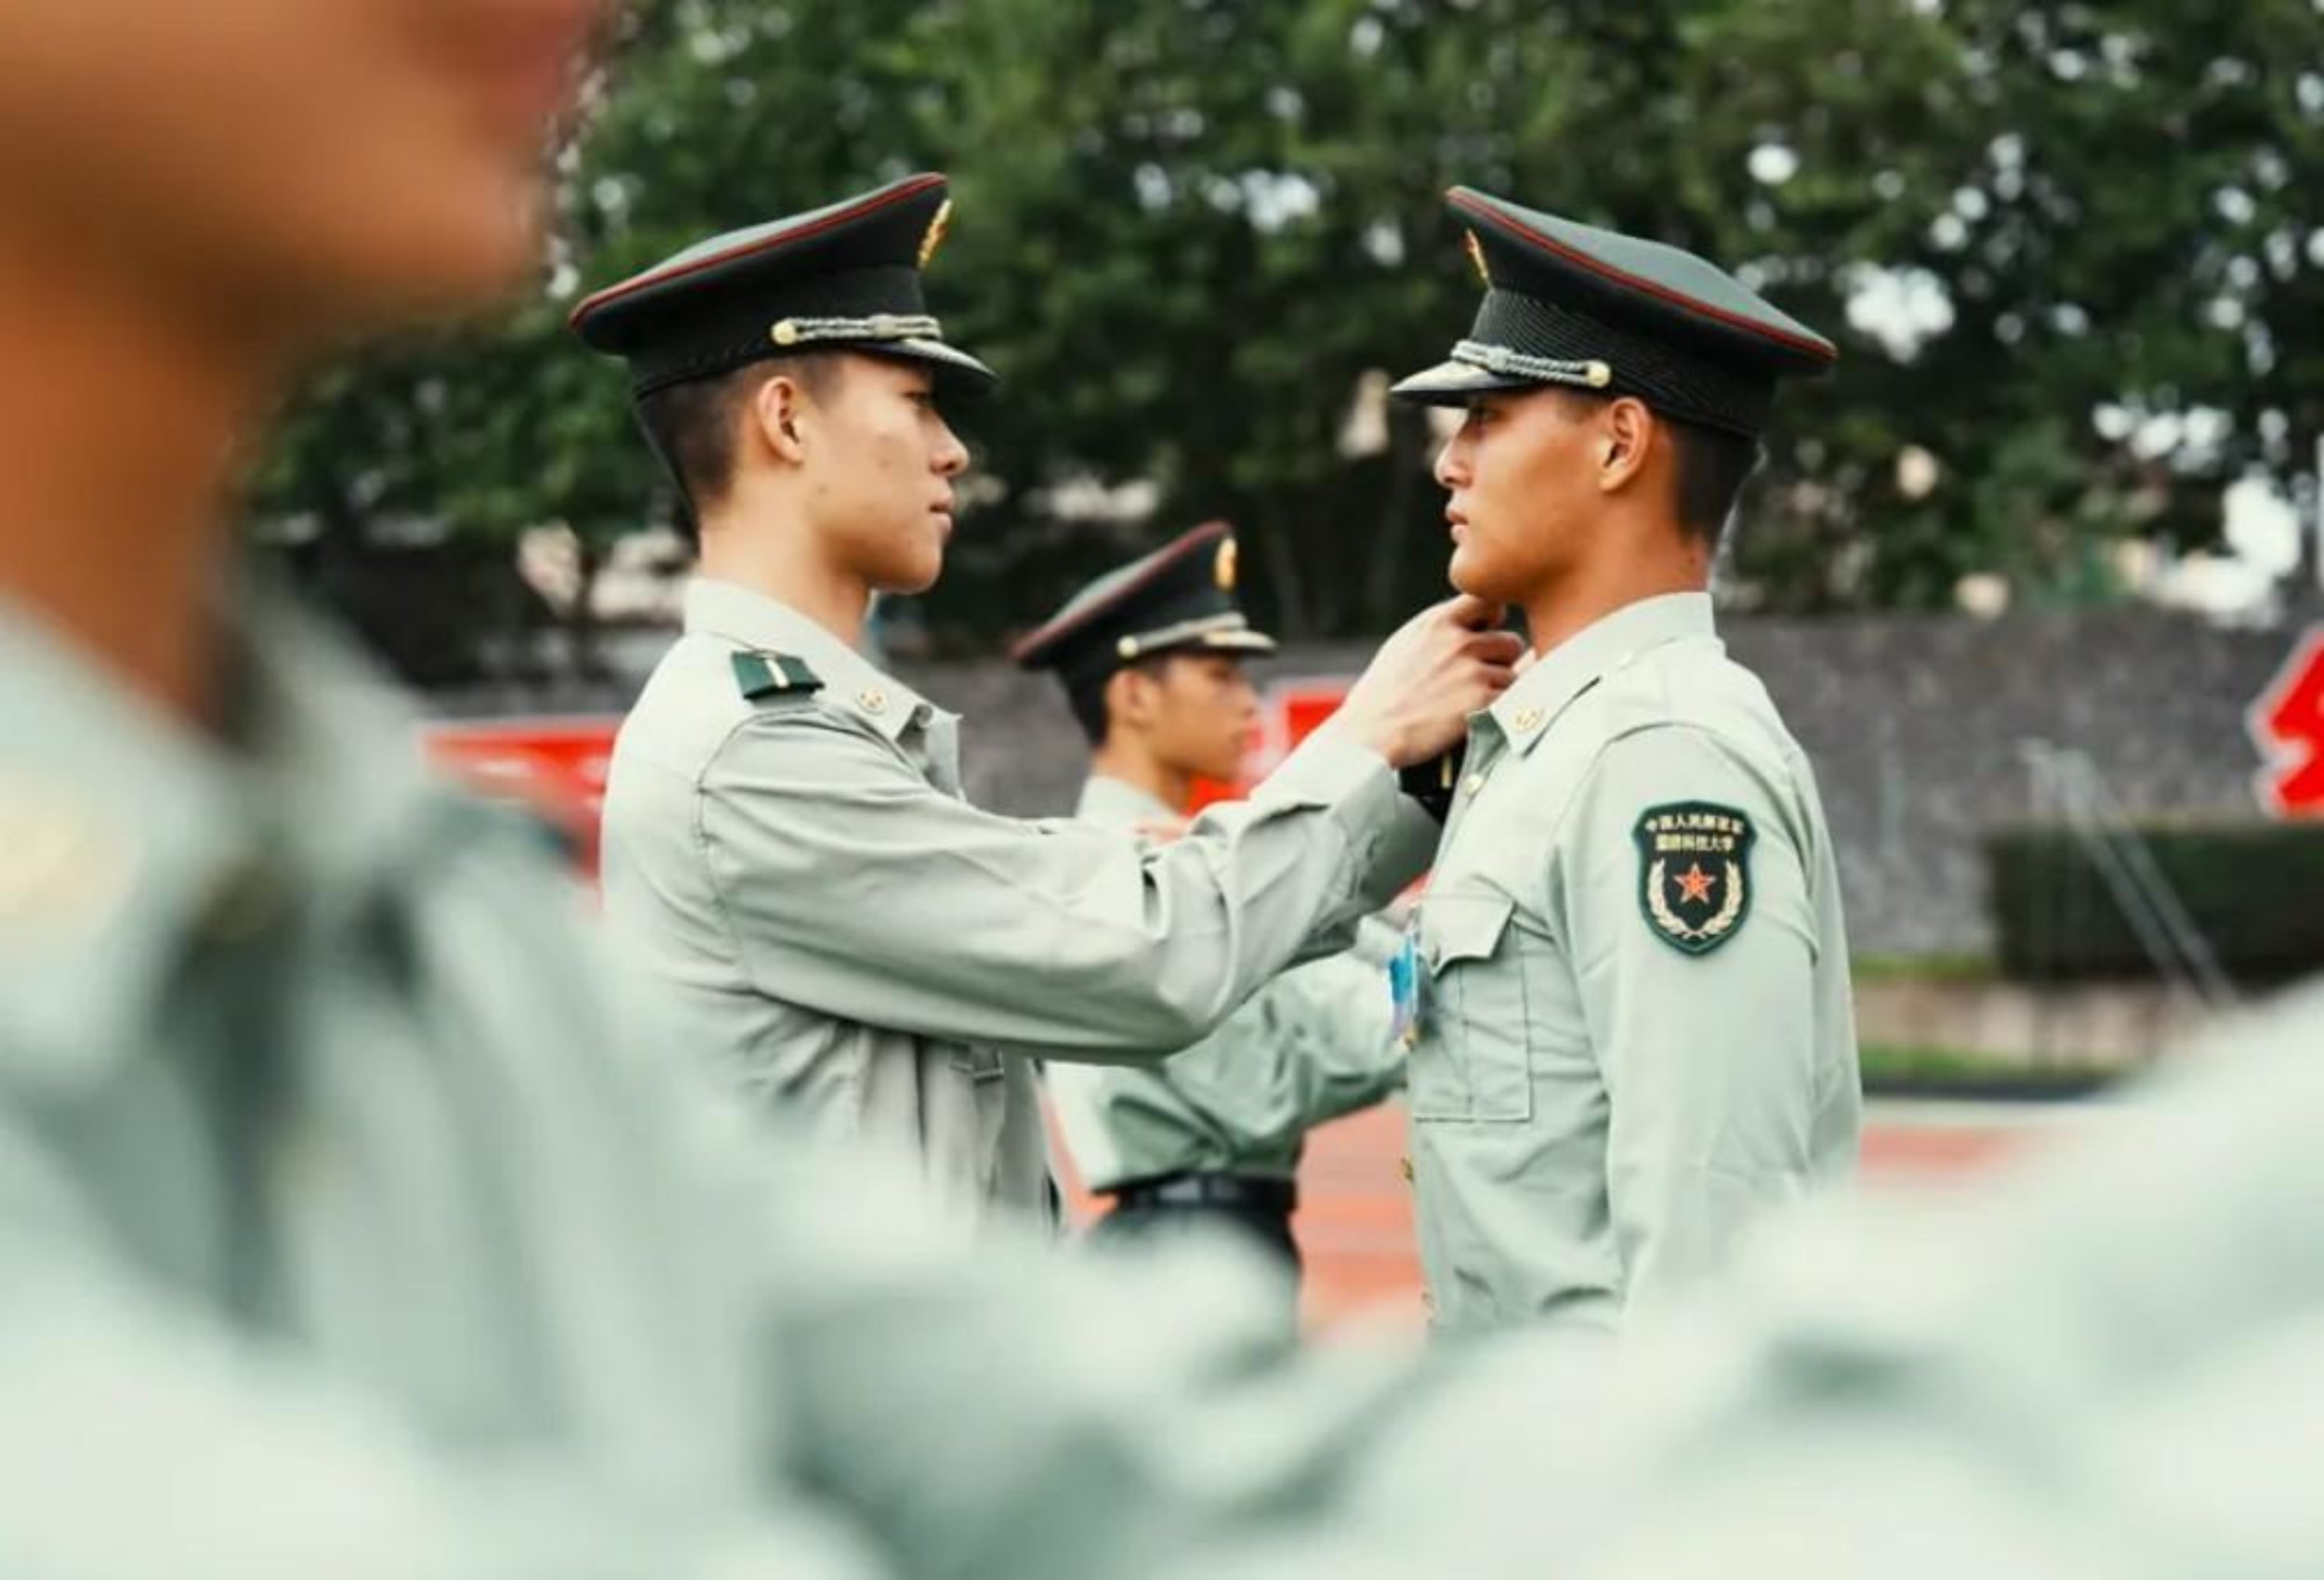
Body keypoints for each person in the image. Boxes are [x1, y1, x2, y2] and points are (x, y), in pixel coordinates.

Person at [574, 178, 1518, 1228]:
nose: (952, 449)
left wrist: (1396, 778)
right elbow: (1150, 955)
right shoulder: (753, 754)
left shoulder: (794, 729)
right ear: (787, 420)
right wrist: (1368, 738)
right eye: (916, 400)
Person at [1381, 187, 1862, 1336]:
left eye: (1487, 416)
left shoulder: (1663, 757)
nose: (1450, 463)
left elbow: (1711, 1243)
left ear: (1618, 441)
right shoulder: (1561, 741)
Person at [1012, 520, 1407, 1289]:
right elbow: (1361, 1047)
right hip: (1197, 1244)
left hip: (1178, 1235)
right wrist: (1421, 968)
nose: (1248, 703)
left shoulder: (1129, 853)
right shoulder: (1143, 867)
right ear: (1135, 695)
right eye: (1220, 675)